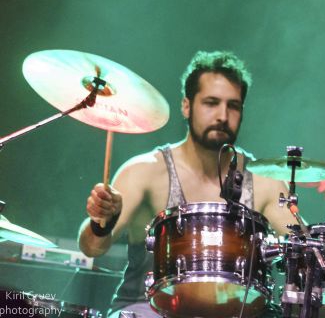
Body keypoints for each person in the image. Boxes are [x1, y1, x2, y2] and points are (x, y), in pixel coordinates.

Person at [78, 50, 292, 318]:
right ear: (186, 106)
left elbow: (306, 249)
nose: (222, 115)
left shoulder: (264, 180)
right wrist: (101, 224)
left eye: (233, 106)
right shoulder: (144, 171)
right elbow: (92, 248)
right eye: (211, 103)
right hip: (146, 310)